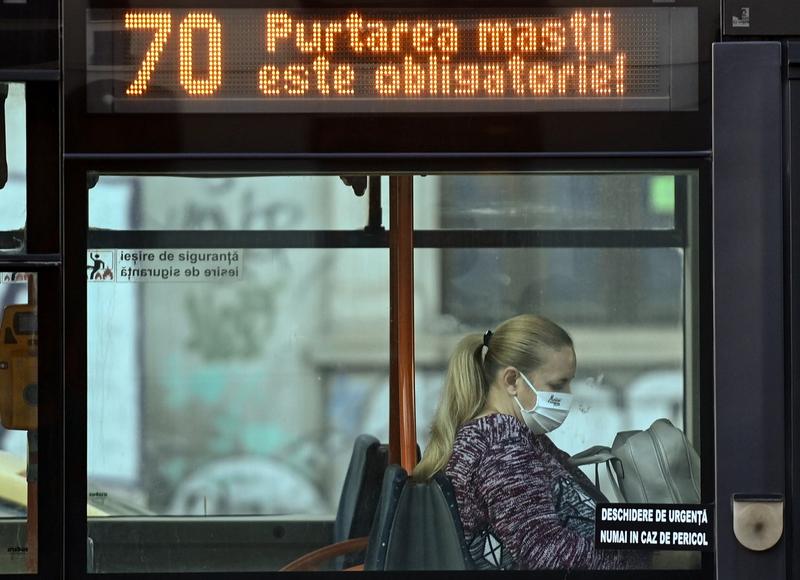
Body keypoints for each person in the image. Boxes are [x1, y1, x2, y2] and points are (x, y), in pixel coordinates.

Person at [413, 314, 634, 571]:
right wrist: (648, 561)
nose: (569, 395)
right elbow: (545, 554)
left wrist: (653, 534)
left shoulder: (517, 436)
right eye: (558, 384)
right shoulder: (501, 446)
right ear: (512, 381)